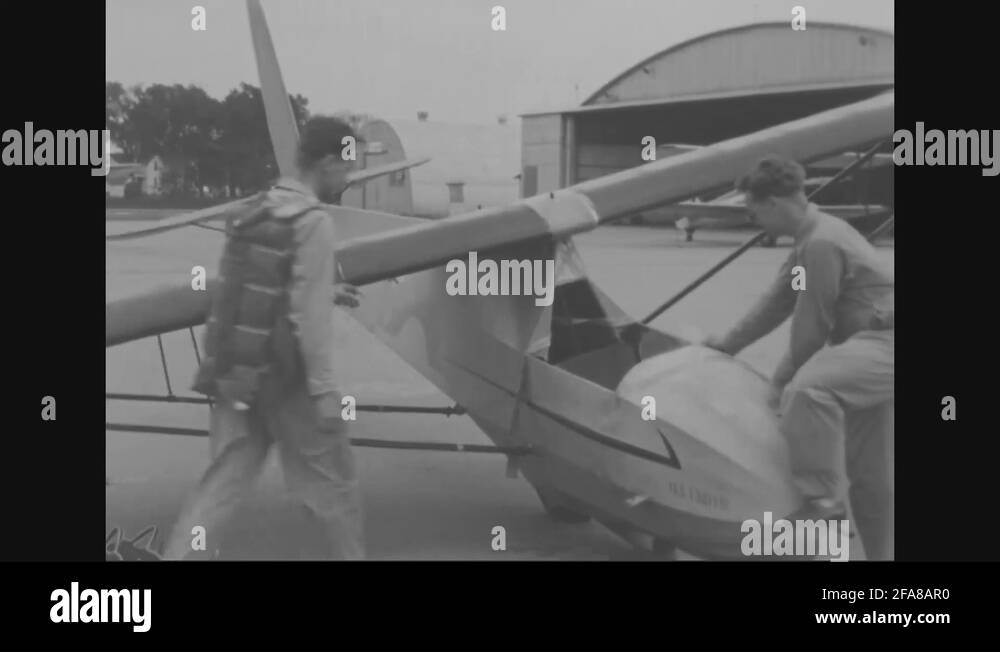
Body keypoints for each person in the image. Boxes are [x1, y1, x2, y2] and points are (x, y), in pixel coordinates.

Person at [163, 116, 365, 560]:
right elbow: (309, 321)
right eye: (347, 167)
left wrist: (323, 288)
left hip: (239, 373)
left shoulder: (258, 209)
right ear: (329, 162)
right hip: (289, 382)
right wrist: (327, 392)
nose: (349, 178)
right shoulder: (314, 223)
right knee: (335, 491)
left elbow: (261, 282)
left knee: (222, 486)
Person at [704, 156, 894, 560]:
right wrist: (726, 345)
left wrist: (779, 384)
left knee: (809, 389)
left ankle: (822, 503)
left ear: (773, 202)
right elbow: (778, 302)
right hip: (866, 351)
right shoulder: (813, 237)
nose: (753, 218)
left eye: (752, 209)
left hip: (884, 344)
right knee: (869, 471)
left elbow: (813, 328)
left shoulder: (822, 242)